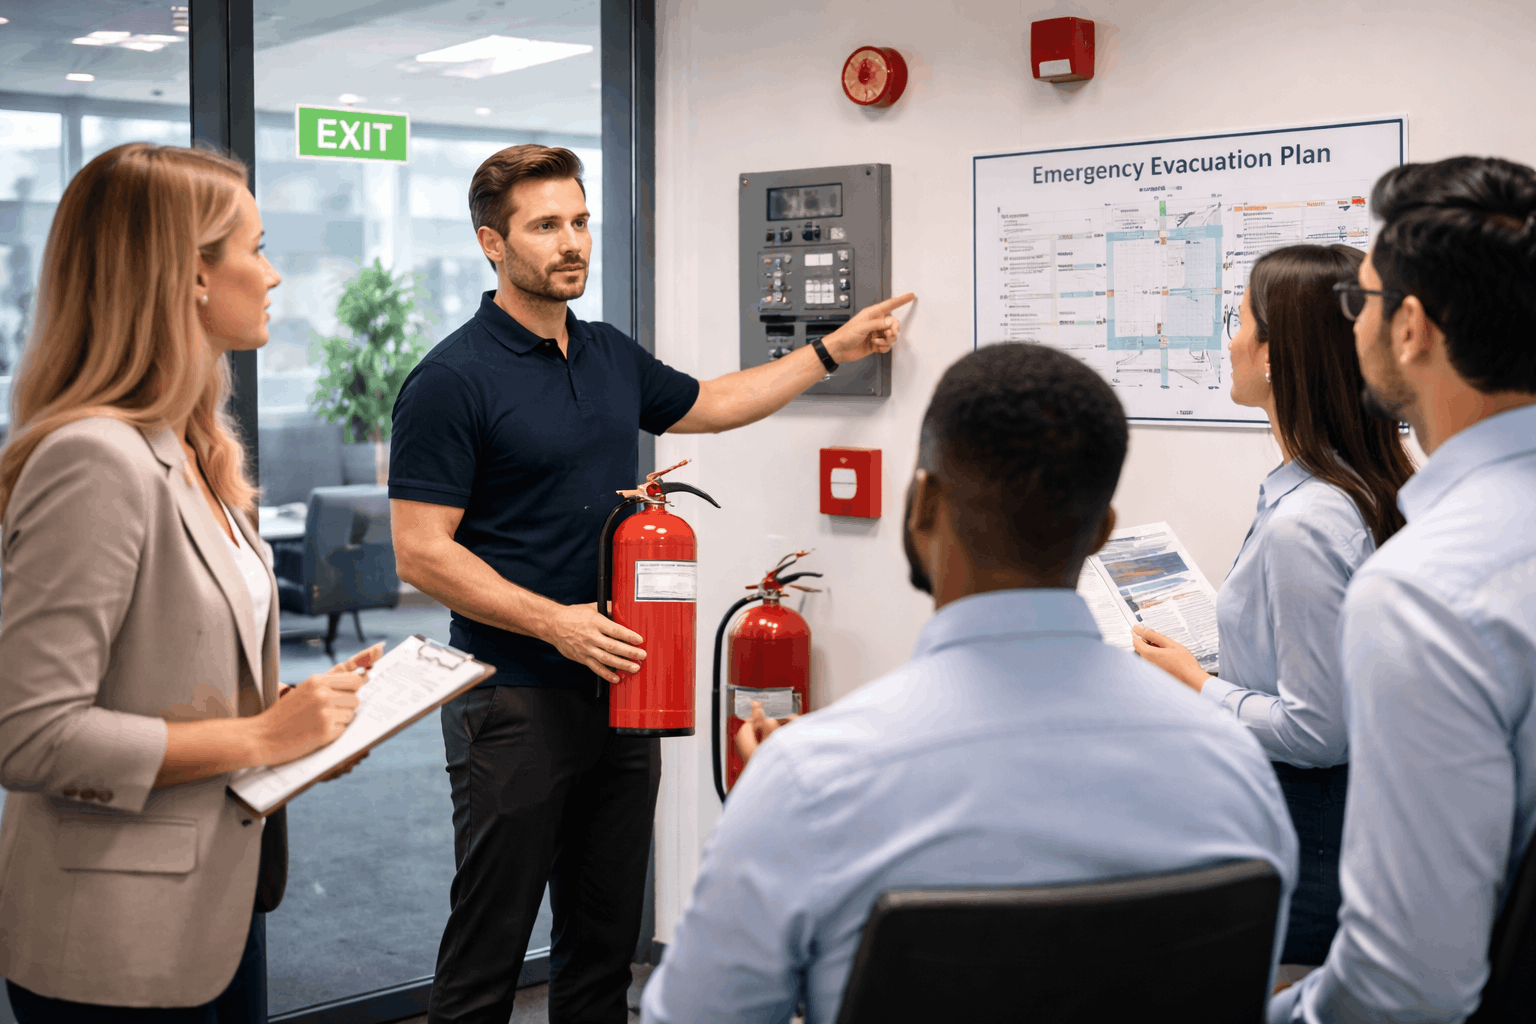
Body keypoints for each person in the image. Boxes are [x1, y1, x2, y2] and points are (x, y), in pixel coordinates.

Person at [387, 144, 913, 1024]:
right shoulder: (451, 379)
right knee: (488, 954)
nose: (572, 243)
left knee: (603, 952)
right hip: (512, 700)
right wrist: (556, 623)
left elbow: (716, 402)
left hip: (623, 692)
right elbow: (421, 553)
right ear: (492, 243)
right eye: (545, 226)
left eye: (580, 221)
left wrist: (831, 349)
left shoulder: (605, 354)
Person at [639, 343, 1298, 1024]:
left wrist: (785, 798)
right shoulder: (1234, 767)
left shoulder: (810, 782)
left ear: (923, 506)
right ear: (1102, 531)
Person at [0, 142, 380, 1024]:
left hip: (216, 903)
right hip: (111, 939)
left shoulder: (192, 449)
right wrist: (261, 736)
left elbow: (173, 673)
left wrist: (296, 720)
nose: (274, 275)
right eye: (257, 247)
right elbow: (29, 735)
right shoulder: (94, 459)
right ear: (192, 275)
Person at [1268, 158, 1536, 1022]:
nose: (1354, 324)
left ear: (1411, 328)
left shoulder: (1429, 592)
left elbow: (1404, 988)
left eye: (1362, 300)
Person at [1130, 243, 1414, 965]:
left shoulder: (1306, 523)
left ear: (1274, 356)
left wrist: (1195, 684)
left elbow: (1318, 732)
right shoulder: (1360, 487)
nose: (1230, 342)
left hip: (1307, 835)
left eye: (1241, 323)